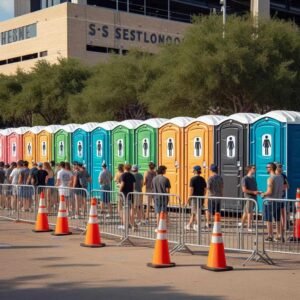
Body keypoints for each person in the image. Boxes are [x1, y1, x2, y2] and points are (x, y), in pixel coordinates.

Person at [261, 162, 284, 242]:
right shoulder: (281, 178)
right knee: (277, 219)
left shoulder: (270, 178)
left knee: (268, 219)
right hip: (278, 200)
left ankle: (270, 235)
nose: (266, 168)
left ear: (271, 168)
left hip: (270, 201)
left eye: (267, 167)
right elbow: (284, 188)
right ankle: (279, 235)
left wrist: (263, 194)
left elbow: (269, 191)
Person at [239, 165, 261, 232]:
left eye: (255, 168)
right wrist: (253, 192)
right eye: (253, 168)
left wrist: (258, 192)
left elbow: (255, 187)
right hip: (249, 197)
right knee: (249, 212)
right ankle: (249, 227)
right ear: (249, 169)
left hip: (254, 197)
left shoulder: (253, 178)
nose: (255, 169)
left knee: (246, 212)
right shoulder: (245, 179)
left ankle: (242, 225)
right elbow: (244, 190)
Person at [185, 165, 207, 231]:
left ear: (195, 171)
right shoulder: (203, 179)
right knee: (194, 212)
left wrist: (189, 197)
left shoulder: (192, 179)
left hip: (194, 197)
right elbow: (205, 189)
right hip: (200, 197)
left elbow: (191, 189)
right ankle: (189, 225)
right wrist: (203, 195)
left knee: (196, 212)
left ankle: (197, 225)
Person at [152, 165, 171, 229]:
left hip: (156, 197)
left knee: (158, 212)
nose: (165, 171)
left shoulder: (154, 179)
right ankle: (165, 225)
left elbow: (153, 188)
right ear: (162, 171)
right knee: (164, 211)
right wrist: (168, 197)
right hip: (164, 197)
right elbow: (168, 190)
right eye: (165, 170)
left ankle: (158, 226)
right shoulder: (166, 179)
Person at [206, 164, 223, 229]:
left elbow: (208, 187)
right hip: (218, 196)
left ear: (211, 170)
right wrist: (221, 194)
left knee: (209, 210)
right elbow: (222, 186)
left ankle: (208, 223)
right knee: (217, 211)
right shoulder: (220, 177)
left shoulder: (210, 178)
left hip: (212, 196)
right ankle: (217, 223)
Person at [119, 164, 136, 230]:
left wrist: (119, 191)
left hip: (124, 194)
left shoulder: (123, 175)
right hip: (130, 194)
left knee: (124, 210)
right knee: (129, 209)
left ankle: (125, 225)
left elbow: (122, 184)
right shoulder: (132, 175)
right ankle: (129, 223)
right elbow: (134, 186)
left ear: (124, 168)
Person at [275, 163, 289, 234]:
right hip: (275, 197)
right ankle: (279, 230)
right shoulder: (274, 175)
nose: (280, 169)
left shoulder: (283, 176)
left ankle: (283, 228)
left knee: (282, 213)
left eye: (281, 167)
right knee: (277, 214)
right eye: (279, 167)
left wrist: (281, 187)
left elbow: (287, 186)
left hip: (281, 197)